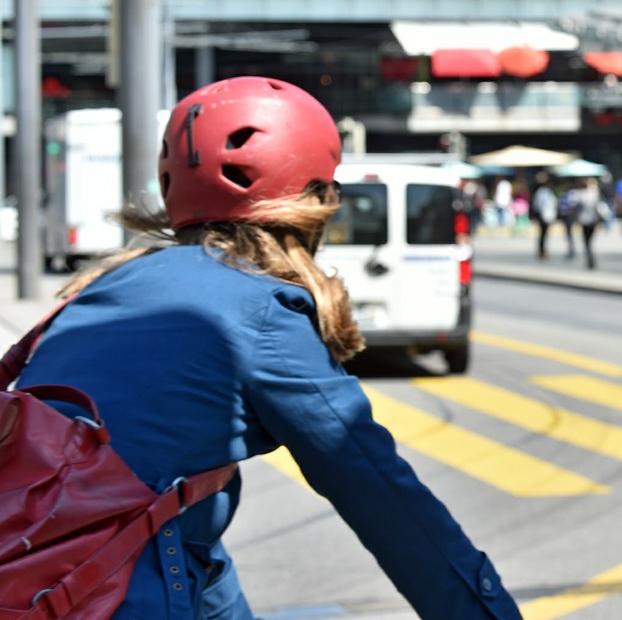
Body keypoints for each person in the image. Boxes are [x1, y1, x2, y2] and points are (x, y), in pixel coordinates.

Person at [12, 77, 520, 619]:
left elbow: (176, 523)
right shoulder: (260, 315)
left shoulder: (102, 291)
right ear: (314, 199)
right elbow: (391, 506)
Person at [573, 177, 606, 270]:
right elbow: (599, 206)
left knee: (586, 241)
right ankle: (591, 258)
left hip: (584, 220)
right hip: (593, 220)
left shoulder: (579, 194)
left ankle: (589, 258)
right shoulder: (594, 194)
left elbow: (576, 207)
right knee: (590, 240)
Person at [531, 172, 559, 260]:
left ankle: (542, 251)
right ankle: (542, 251)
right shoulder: (541, 191)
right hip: (543, 216)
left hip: (547, 215)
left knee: (544, 234)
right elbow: (538, 204)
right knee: (543, 234)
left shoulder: (547, 191)